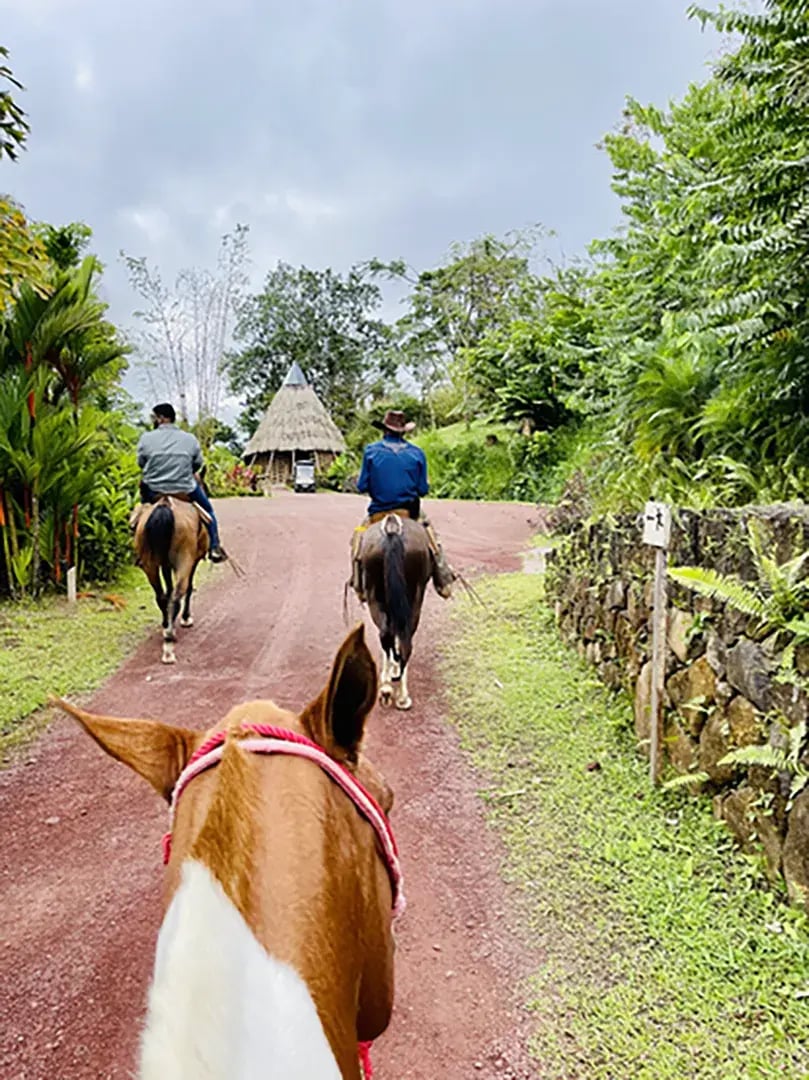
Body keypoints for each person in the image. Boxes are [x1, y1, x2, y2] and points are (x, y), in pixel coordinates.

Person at [350, 409, 455, 602]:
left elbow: (361, 485)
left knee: (357, 537)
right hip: (409, 512)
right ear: (403, 432)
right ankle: (444, 580)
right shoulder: (417, 453)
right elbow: (422, 489)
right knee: (433, 538)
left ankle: (359, 585)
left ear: (384, 430)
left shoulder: (371, 452)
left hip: (377, 514)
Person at [133, 402, 227, 563]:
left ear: (161, 418)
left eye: (154, 417)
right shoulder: (189, 439)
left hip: (154, 489)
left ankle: (140, 552)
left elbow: (141, 462)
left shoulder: (146, 438)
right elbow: (197, 464)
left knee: (139, 513)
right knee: (209, 512)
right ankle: (214, 547)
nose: (153, 420)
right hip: (184, 489)